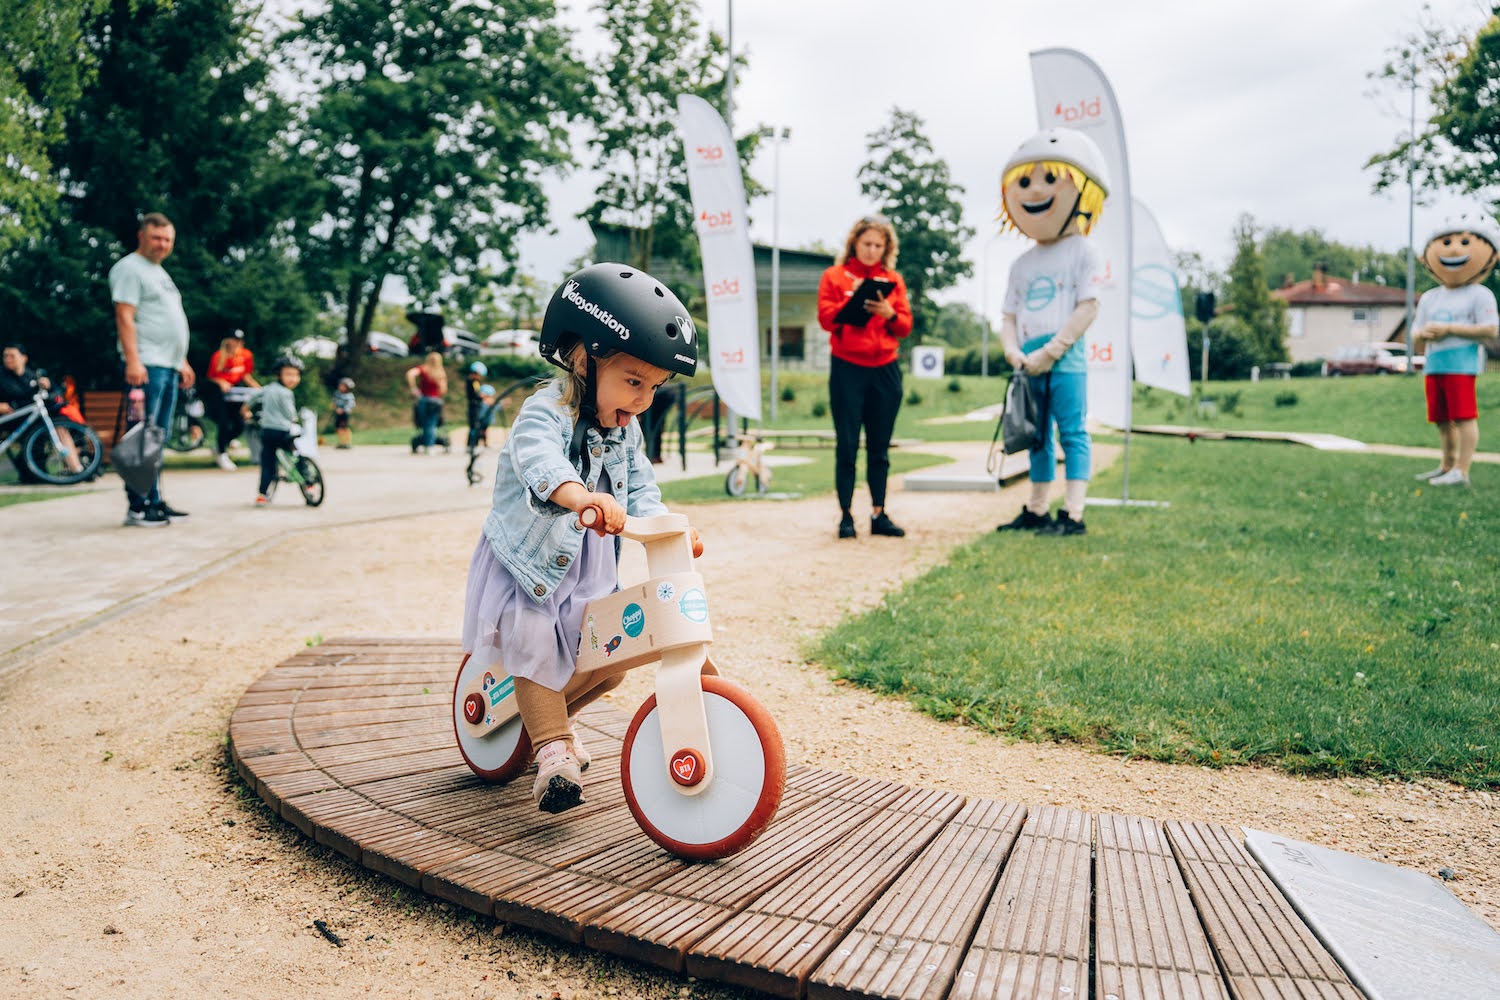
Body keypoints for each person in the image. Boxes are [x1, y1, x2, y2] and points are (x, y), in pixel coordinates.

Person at [460, 262, 702, 814]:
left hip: (590, 564)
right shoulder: (543, 411)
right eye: (633, 381)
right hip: (534, 566)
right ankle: (551, 751)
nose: (642, 400)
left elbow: (640, 482)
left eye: (654, 388)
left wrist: (668, 526)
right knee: (539, 647)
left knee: (611, 663)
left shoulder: (626, 426)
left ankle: (546, 719)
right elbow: (538, 459)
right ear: (583, 358)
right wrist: (578, 495)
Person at [994, 128, 1110, 537]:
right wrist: (1013, 351)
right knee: (1036, 435)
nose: (1035, 190)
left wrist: (1056, 349)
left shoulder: (1083, 250)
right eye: (1024, 182)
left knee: (1072, 432)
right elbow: (1008, 314)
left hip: (1067, 361)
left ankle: (1073, 513)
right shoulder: (1021, 264)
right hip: (1028, 364)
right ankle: (1037, 508)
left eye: (1048, 179)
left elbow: (1088, 305)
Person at [816, 214, 914, 540]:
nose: (871, 250)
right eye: (866, 243)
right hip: (847, 367)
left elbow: (905, 327)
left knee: (879, 447)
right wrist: (853, 302)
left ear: (886, 248)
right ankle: (845, 516)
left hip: (885, 368)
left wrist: (890, 313)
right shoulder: (834, 276)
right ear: (854, 243)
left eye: (878, 245)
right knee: (846, 445)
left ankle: (879, 514)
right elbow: (826, 319)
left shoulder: (893, 281)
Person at [110, 211, 195, 526]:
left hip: (167, 365)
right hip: (146, 366)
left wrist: (181, 359)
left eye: (168, 239)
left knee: (157, 436)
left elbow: (167, 319)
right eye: (157, 238)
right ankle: (138, 506)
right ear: (141, 236)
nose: (163, 244)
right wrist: (133, 360)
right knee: (141, 436)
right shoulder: (130, 269)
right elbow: (125, 316)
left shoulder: (158, 272)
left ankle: (155, 500)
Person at [1411, 211, 1499, 487]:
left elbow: (1490, 329)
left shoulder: (1479, 294)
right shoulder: (1430, 297)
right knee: (1441, 419)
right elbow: (1415, 332)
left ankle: (1462, 469)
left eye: (1464, 241)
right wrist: (1424, 333)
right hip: (1434, 364)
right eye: (1446, 242)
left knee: (1463, 417)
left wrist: (1451, 329)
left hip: (1461, 365)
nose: (1455, 249)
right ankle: (1446, 465)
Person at [1, 342, 84, 475]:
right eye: (5, 356)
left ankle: (75, 468)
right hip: (10, 420)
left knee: (60, 423)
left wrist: (49, 386)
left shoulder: (32, 376)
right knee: (55, 426)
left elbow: (55, 394)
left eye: (12, 356)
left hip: (31, 420)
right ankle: (75, 469)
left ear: (24, 358)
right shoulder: (2, 377)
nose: (8, 359)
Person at [248, 356, 302, 507]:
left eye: (296, 375)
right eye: (289, 374)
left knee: (267, 462)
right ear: (279, 374)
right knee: (296, 455)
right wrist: (295, 419)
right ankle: (308, 482)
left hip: (267, 431)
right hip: (283, 431)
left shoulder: (268, 389)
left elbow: (253, 397)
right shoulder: (286, 393)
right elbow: (290, 413)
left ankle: (263, 494)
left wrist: (246, 409)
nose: (293, 378)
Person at [205, 330, 258, 470]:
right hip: (221, 393)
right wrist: (221, 382)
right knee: (223, 423)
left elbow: (246, 376)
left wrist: (259, 390)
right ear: (228, 340)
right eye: (235, 339)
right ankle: (222, 453)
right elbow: (211, 376)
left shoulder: (246, 355)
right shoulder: (218, 356)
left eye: (240, 340)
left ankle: (220, 446)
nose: (237, 343)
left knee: (240, 424)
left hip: (237, 392)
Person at [406, 350, 449, 454]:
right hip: (435, 400)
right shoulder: (440, 372)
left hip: (423, 400)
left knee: (425, 423)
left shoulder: (424, 369)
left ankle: (427, 444)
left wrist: (413, 388)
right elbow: (443, 390)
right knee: (432, 423)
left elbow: (410, 374)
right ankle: (429, 445)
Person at [331, 377, 357, 449]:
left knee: (344, 427)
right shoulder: (337, 394)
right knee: (338, 428)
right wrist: (335, 407)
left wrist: (343, 410)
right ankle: (341, 442)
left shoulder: (349, 396)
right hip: (338, 413)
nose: (341, 387)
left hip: (344, 414)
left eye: (343, 386)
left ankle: (347, 442)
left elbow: (351, 405)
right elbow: (334, 402)